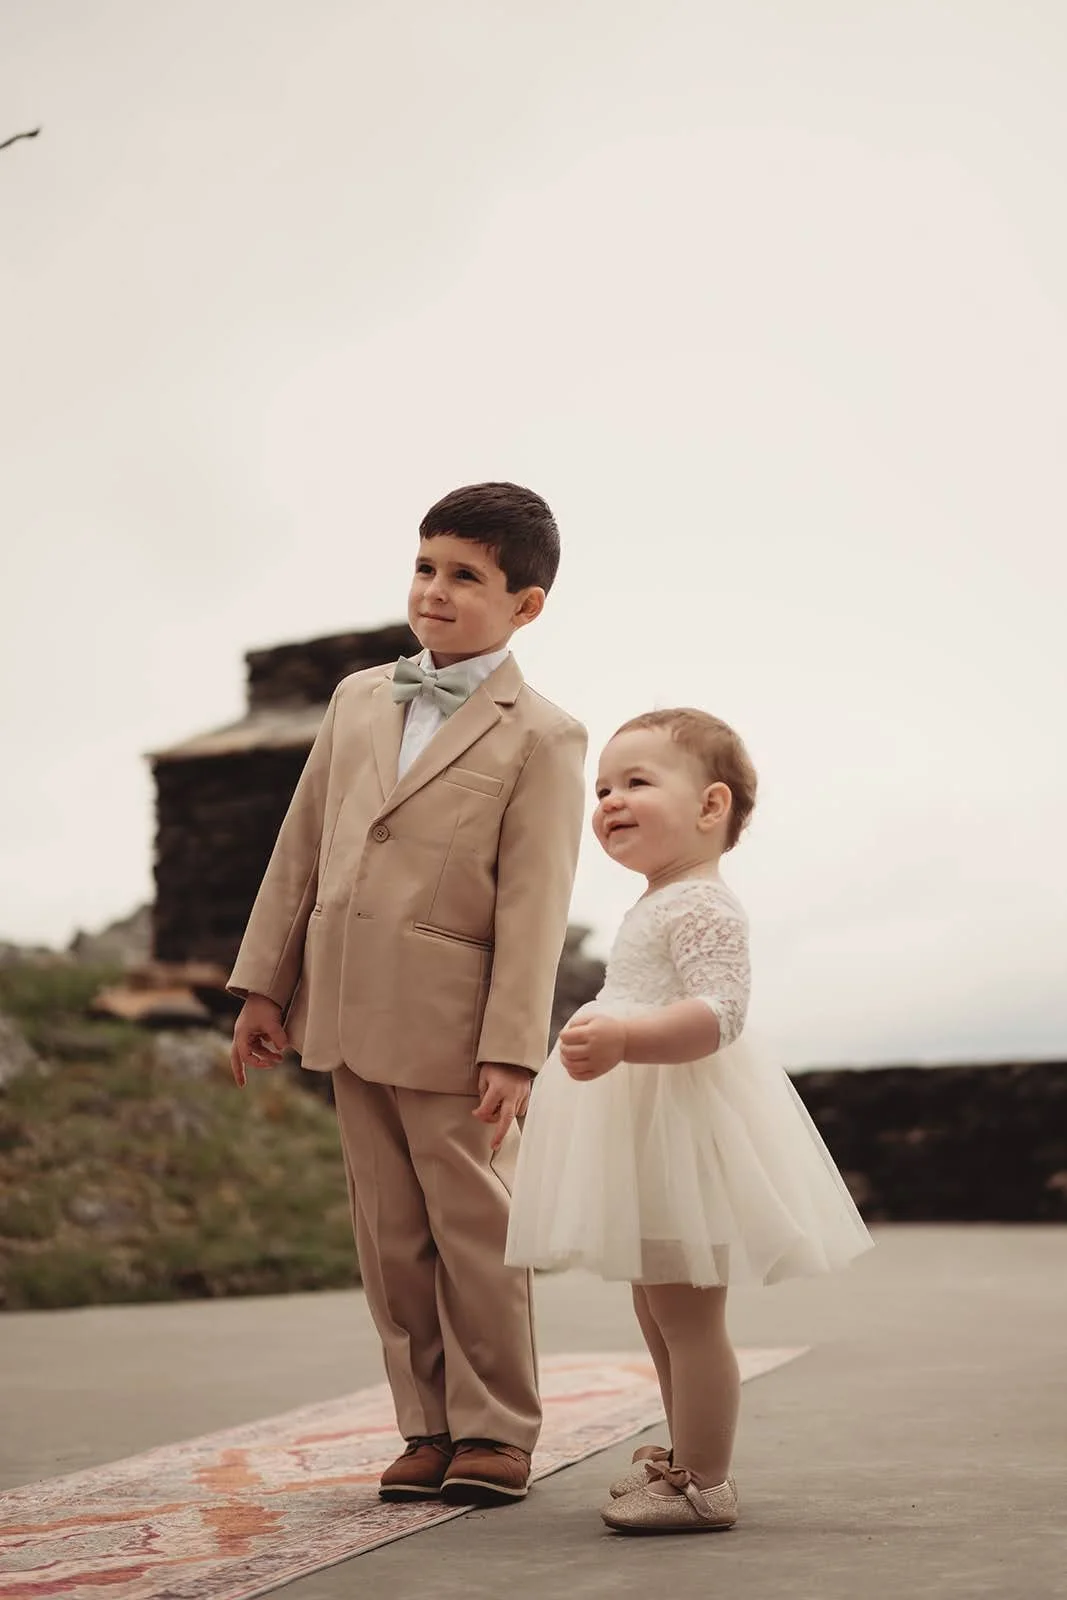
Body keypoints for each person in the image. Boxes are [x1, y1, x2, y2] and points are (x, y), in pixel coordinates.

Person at [227, 482, 587, 1506]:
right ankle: (424, 1425)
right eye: (425, 567)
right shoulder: (356, 699)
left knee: (473, 1230)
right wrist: (264, 986)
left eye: (464, 576)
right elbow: (300, 847)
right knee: (387, 1236)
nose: (433, 591)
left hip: (454, 1024)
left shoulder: (545, 736)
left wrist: (513, 1045)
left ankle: (495, 1428)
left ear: (525, 604)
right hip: (339, 1003)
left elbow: (533, 901)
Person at [506, 708, 872, 1532]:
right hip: (646, 1124)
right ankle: (683, 1456)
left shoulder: (702, 906)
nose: (609, 800)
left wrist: (628, 1035)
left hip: (684, 1125)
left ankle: (705, 1481)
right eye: (602, 787)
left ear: (710, 807)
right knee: (656, 1305)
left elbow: (721, 1013)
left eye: (636, 781)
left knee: (689, 1314)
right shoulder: (656, 901)